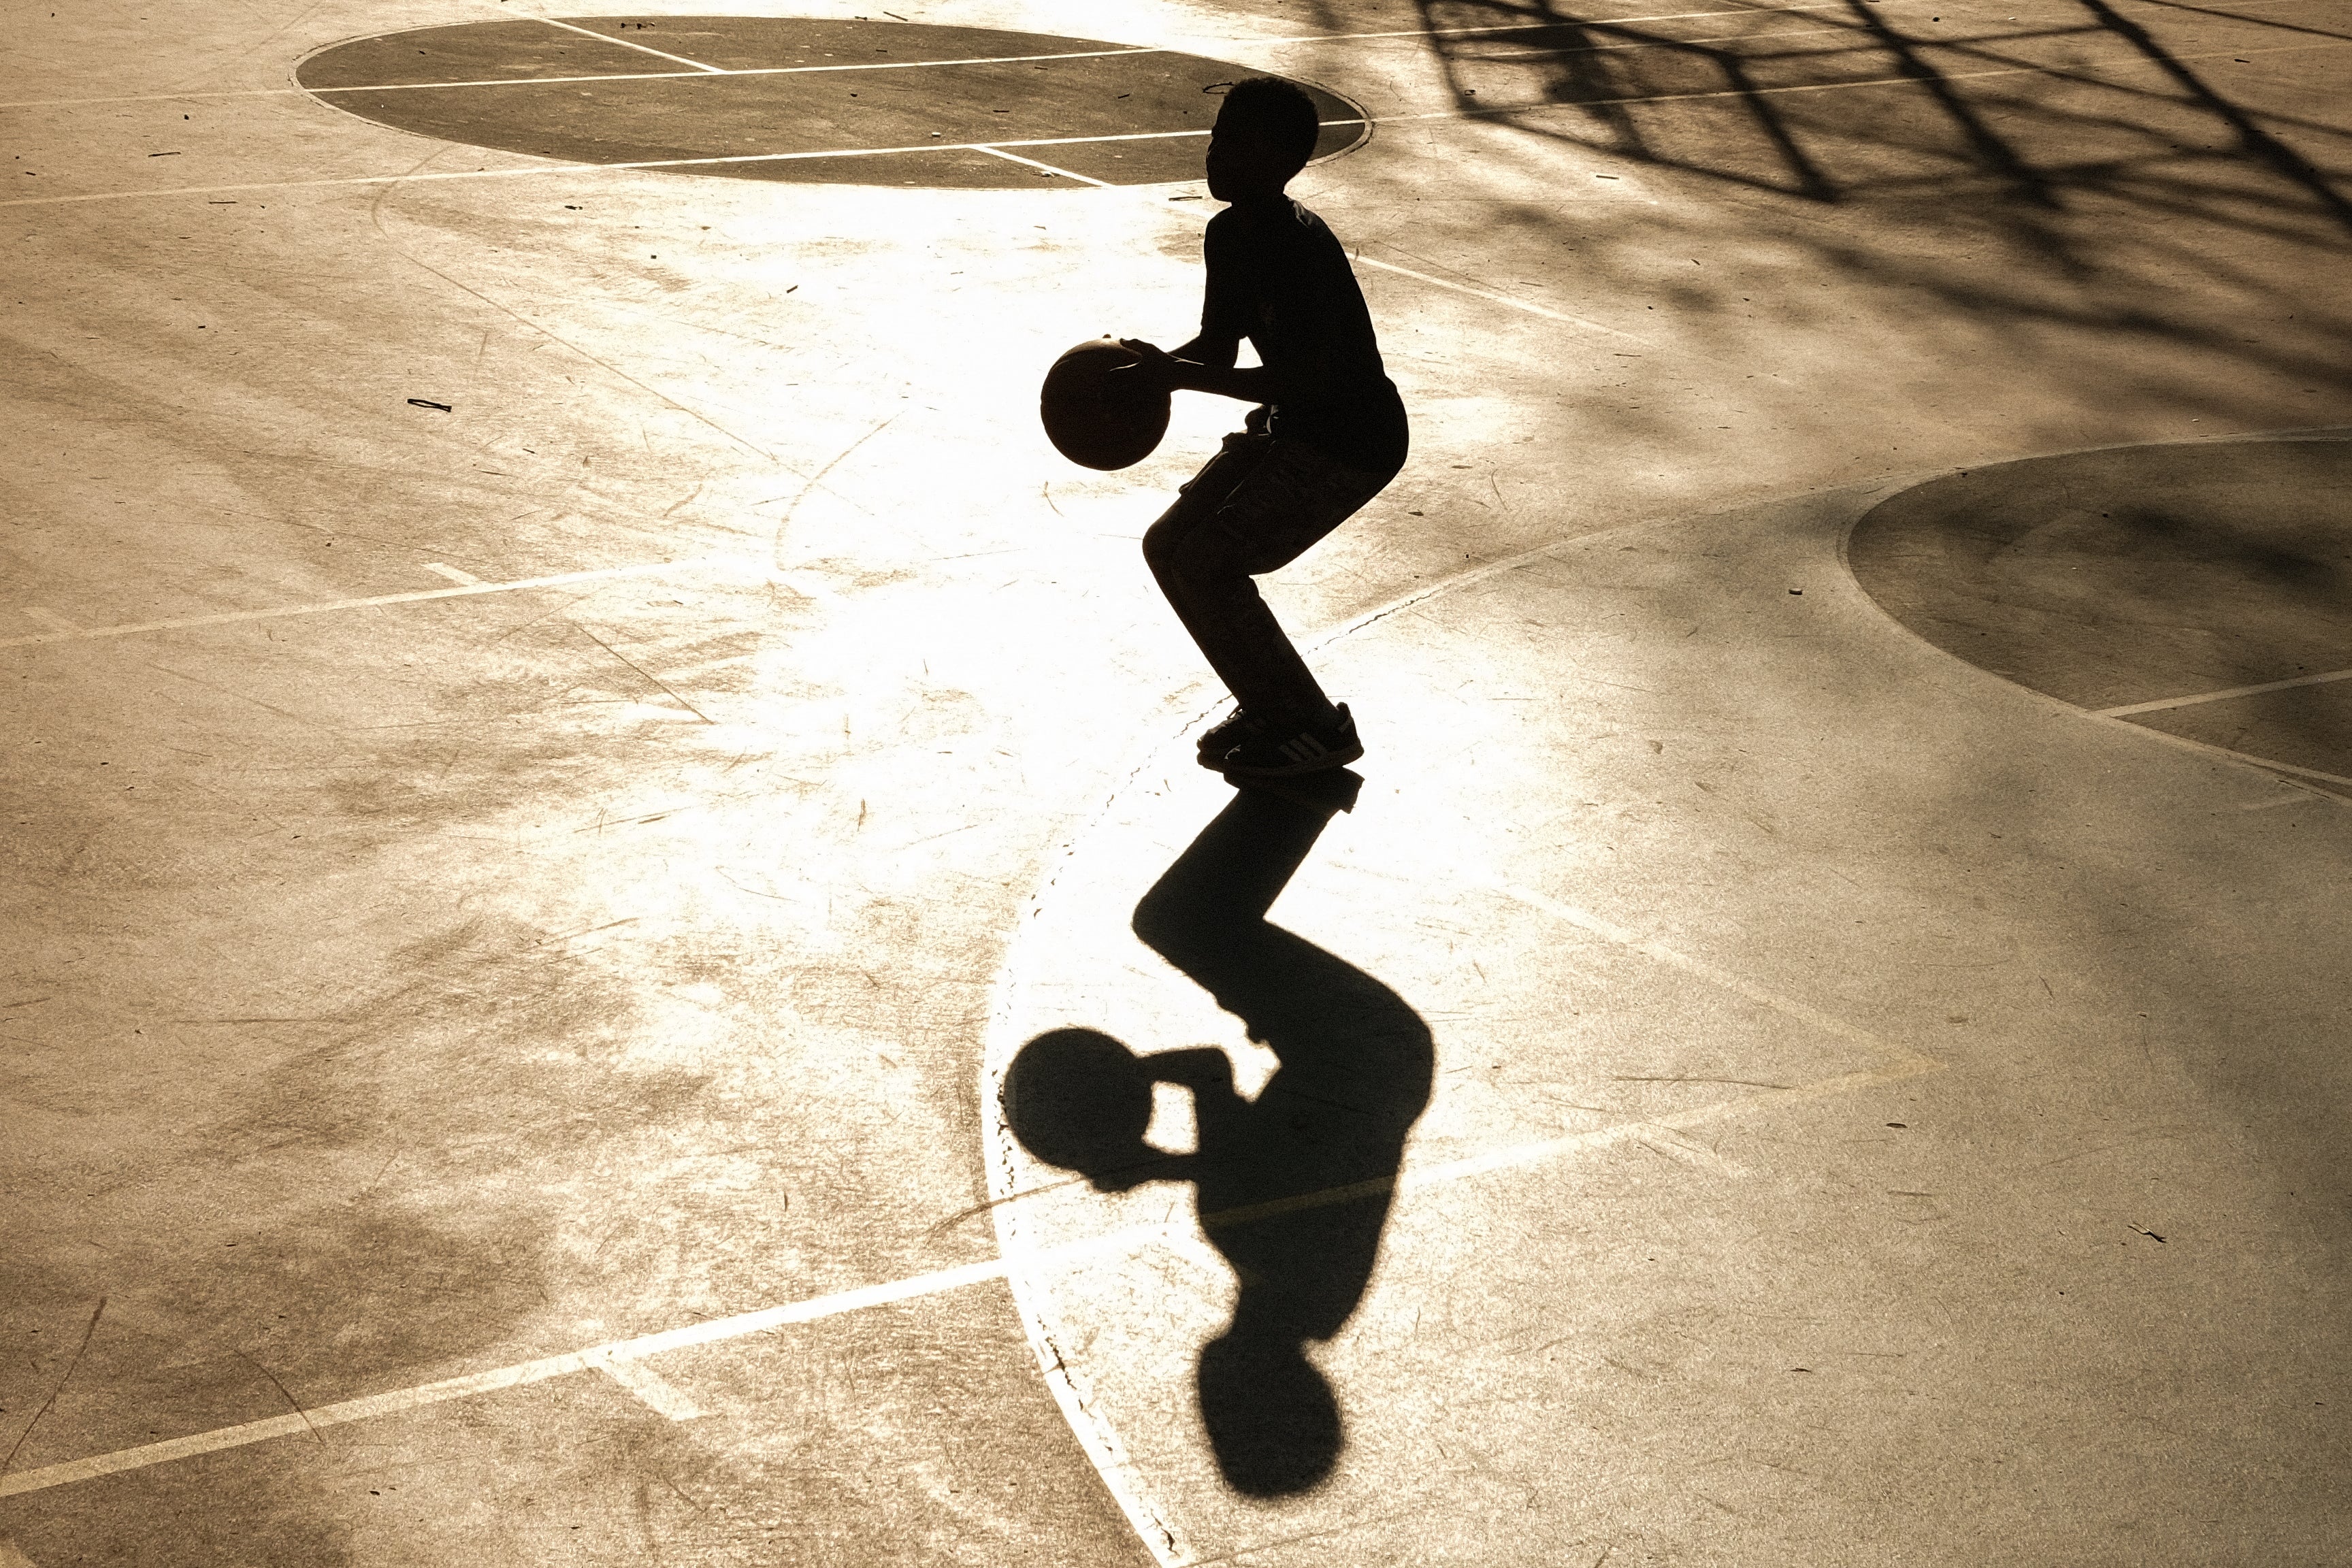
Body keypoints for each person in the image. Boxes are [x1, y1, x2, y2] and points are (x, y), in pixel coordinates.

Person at [1111, 76, 1410, 780]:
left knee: (1210, 564)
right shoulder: (1228, 234)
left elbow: (1295, 380)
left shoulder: (1301, 251)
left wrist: (1177, 379)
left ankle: (1310, 725)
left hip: (1351, 441)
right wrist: (1151, 365)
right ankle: (1265, 699)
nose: (1216, 154)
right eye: (1217, 137)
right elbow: (1218, 347)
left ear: (1284, 164)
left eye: (1236, 144)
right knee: (1168, 547)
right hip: (1297, 425)